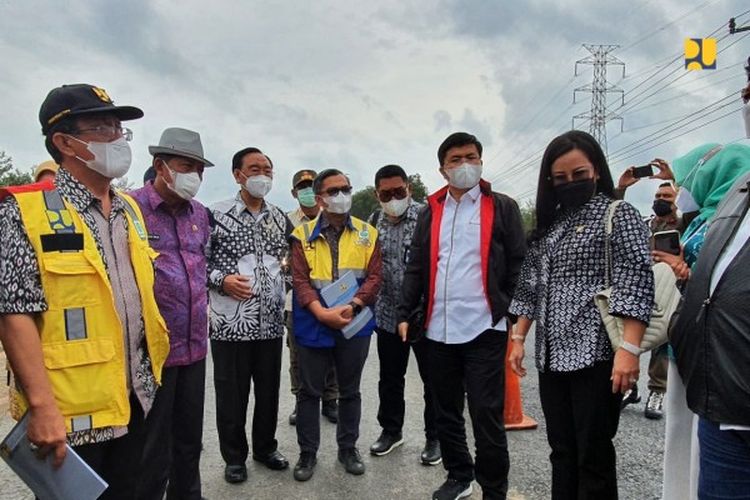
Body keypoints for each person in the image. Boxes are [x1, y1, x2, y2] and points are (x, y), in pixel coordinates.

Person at [0, 83, 170, 498]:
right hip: (72, 410)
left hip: (136, 395)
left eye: (119, 129)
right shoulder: (23, 211)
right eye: (102, 128)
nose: (117, 138)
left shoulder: (128, 208)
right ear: (64, 142)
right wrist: (41, 408)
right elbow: (13, 310)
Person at [509, 130, 654, 499]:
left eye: (579, 174)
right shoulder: (550, 226)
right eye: (560, 179)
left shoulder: (617, 215)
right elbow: (529, 286)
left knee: (593, 455)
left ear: (596, 171)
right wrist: (518, 338)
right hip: (551, 359)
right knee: (561, 451)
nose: (570, 184)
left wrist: (630, 351)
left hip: (597, 356)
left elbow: (635, 282)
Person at [398, 132, 526, 500]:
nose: (464, 165)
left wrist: (515, 315)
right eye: (456, 160)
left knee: (486, 413)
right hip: (438, 328)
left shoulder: (501, 207)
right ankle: (459, 475)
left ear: (481, 161)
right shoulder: (431, 211)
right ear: (443, 169)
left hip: (485, 327)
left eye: (471, 157)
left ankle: (494, 489)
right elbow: (418, 267)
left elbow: (518, 263)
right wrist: (407, 311)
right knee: (445, 409)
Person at [647, 143, 750, 500]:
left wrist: (683, 272)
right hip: (690, 347)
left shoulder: (725, 220)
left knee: (700, 449)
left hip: (720, 365)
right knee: (685, 440)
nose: (681, 190)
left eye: (686, 180)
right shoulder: (711, 218)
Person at [130, 127, 213, 500]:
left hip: (195, 348)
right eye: (186, 166)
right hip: (152, 353)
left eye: (199, 168)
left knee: (188, 441)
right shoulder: (130, 210)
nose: (194, 175)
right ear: (160, 166)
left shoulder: (200, 214)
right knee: (151, 446)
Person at [289, 168, 382, 481]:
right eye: (332, 191)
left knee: (350, 391)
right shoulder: (301, 235)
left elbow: (375, 276)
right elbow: (300, 280)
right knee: (309, 392)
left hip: (354, 321)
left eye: (345, 189)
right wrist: (320, 312)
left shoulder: (368, 233)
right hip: (313, 321)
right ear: (320, 199)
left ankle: (347, 448)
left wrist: (354, 305)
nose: (341, 196)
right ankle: (307, 453)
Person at [207, 147, 291, 484]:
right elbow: (198, 263)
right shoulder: (214, 215)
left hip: (270, 325)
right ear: (237, 174)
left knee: (269, 392)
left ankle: (265, 448)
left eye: (268, 169)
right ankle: (234, 457)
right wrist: (221, 280)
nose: (263, 175)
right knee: (231, 395)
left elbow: (288, 262)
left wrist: (279, 286)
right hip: (230, 326)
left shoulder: (279, 217)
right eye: (255, 168)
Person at [367, 164, 440, 466]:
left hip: (425, 315)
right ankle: (391, 431)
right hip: (387, 315)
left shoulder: (428, 217)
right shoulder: (372, 222)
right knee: (390, 378)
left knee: (433, 380)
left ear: (409, 188)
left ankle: (435, 437)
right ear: (377, 194)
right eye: (387, 193)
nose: (394, 197)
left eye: (399, 191)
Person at [616, 164, 683, 419]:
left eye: (667, 197)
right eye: (657, 196)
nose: (660, 201)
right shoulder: (646, 224)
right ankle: (629, 386)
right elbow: (615, 218)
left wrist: (675, 178)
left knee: (661, 342)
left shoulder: (685, 222)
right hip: (645, 287)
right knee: (632, 337)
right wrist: (621, 188)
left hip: (673, 290)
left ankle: (657, 390)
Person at [285, 168, 339, 427]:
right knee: (298, 355)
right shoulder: (284, 221)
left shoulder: (334, 219)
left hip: (330, 298)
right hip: (293, 301)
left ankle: (330, 399)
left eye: (311, 186)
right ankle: (301, 399)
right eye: (302, 187)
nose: (307, 191)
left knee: (332, 351)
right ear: (294, 193)